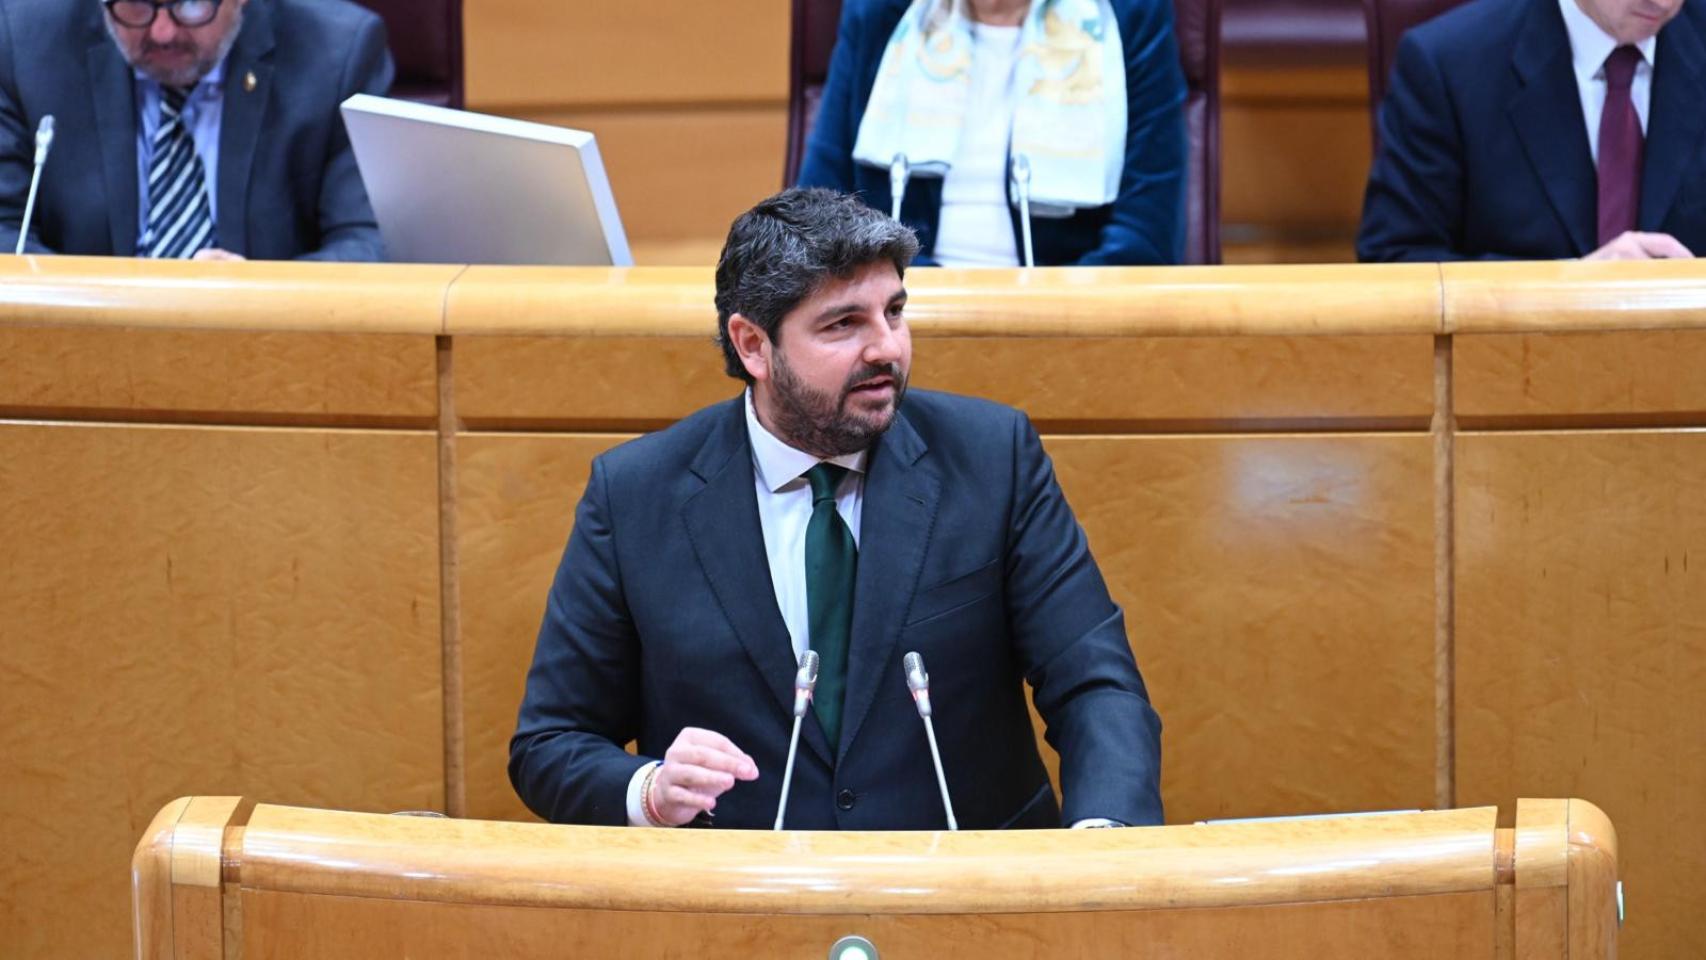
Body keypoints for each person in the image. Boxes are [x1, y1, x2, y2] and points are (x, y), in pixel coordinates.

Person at [510, 188, 1163, 830]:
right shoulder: (635, 494)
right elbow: (551, 742)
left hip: (967, 892)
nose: (886, 348)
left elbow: (1095, 687)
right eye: (843, 324)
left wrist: (1103, 846)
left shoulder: (992, 458)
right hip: (738, 903)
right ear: (753, 346)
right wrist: (648, 790)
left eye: (894, 312)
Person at [797, 0, 1186, 267]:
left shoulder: (1127, 13)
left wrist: (1049, 316)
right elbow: (817, 215)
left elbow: (1146, 237)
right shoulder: (885, 13)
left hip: (1069, 326)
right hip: (902, 323)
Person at [0, 0, 392, 260]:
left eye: (190, 4)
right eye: (137, 4)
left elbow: (369, 243)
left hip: (272, 357)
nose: (163, 33)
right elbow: (5, 231)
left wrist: (259, 297)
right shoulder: (24, 43)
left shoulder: (337, 52)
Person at [1357, 0, 1706, 261]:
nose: (1663, 2)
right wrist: (1569, 289)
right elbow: (1395, 261)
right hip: (1511, 355)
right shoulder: (1448, 64)